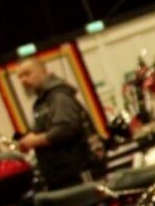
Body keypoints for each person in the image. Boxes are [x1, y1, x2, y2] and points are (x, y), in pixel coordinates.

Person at [15, 58, 100, 188]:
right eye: (20, 77)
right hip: (60, 174)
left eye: (27, 74)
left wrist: (35, 141)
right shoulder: (41, 102)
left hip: (77, 171)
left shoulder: (59, 96)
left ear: (44, 72)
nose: (23, 80)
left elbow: (67, 128)